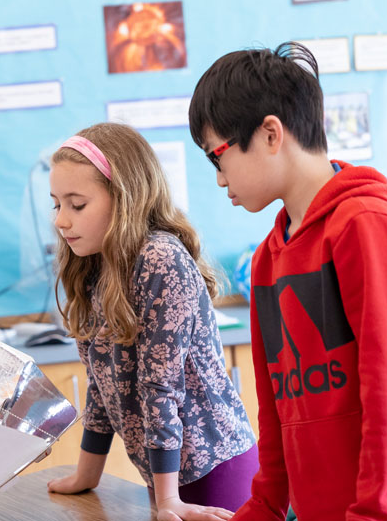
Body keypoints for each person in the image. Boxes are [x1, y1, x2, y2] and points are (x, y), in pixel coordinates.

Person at [188, 41, 387, 520]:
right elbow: (277, 413)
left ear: (271, 134)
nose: (219, 179)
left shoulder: (366, 224)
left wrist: (372, 513)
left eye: (218, 157)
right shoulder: (267, 260)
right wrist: (262, 507)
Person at [45, 122, 259, 521]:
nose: (61, 220)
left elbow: (159, 385)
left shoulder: (160, 258)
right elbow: (102, 383)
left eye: (77, 205)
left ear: (124, 199)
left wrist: (168, 501)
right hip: (167, 475)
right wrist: (86, 474)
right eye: (56, 204)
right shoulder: (96, 265)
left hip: (212, 466)